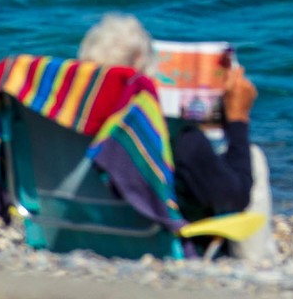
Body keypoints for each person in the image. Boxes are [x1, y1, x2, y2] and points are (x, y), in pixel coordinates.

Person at [77, 15, 277, 265]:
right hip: (158, 243)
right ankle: (258, 264)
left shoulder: (66, 128)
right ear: (141, 63)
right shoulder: (176, 138)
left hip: (81, 231)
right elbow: (235, 198)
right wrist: (238, 120)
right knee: (252, 157)